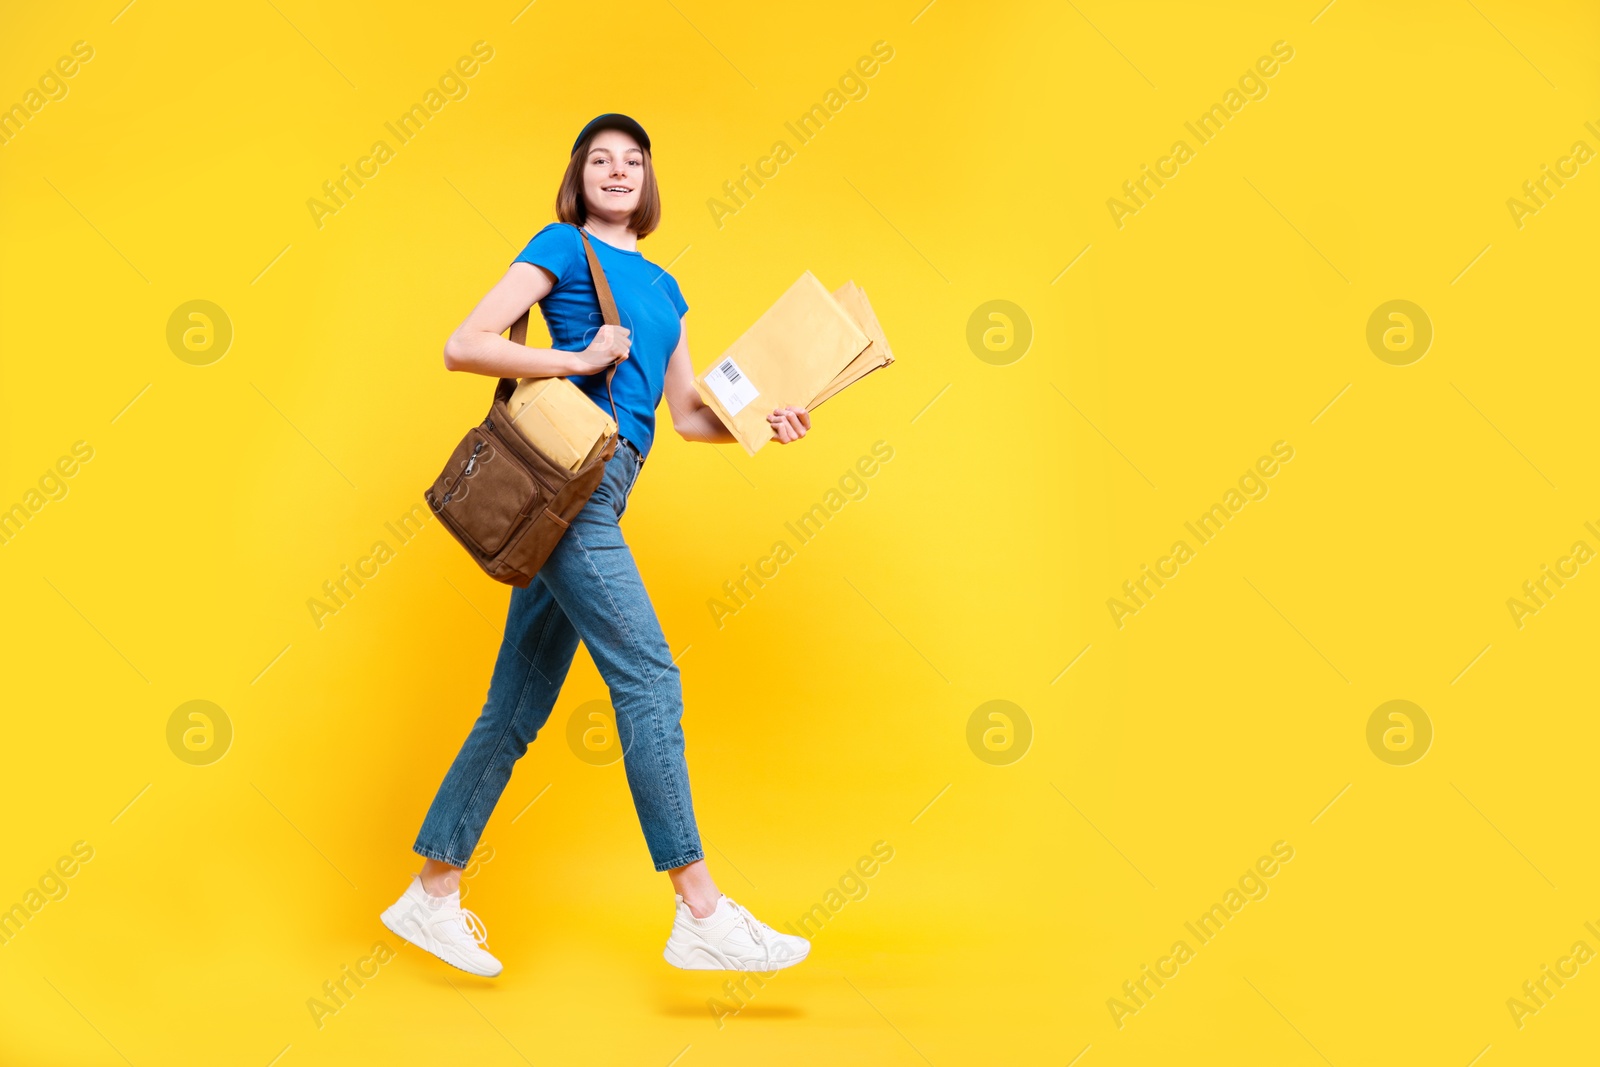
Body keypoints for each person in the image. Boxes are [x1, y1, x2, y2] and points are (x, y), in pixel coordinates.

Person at [381, 114, 813, 977]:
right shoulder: (560, 245)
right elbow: (464, 345)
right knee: (650, 676)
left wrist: (766, 424)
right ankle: (700, 909)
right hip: (563, 481)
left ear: (648, 183)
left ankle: (429, 892)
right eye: (599, 160)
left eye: (633, 161)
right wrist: (578, 358)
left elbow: (688, 416)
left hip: (604, 485)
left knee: (515, 709)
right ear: (578, 179)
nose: (617, 171)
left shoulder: (665, 287)